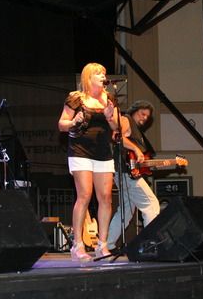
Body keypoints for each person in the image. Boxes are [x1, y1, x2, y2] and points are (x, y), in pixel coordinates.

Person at [58, 62, 118, 261]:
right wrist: (73, 122)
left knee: (106, 197)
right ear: (88, 77)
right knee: (84, 194)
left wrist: (110, 117)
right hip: (80, 151)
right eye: (98, 73)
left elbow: (116, 127)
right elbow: (62, 124)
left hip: (103, 152)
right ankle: (78, 245)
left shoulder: (109, 99)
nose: (103, 76)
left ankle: (102, 245)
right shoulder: (76, 98)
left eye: (104, 73)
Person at [107, 100, 160, 253]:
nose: (144, 118)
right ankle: (150, 244)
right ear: (134, 111)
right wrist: (136, 149)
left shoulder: (137, 131)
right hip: (126, 173)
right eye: (142, 114)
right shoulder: (126, 120)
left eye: (147, 117)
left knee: (126, 210)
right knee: (151, 205)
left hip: (123, 173)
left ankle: (108, 244)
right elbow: (117, 136)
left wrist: (147, 163)